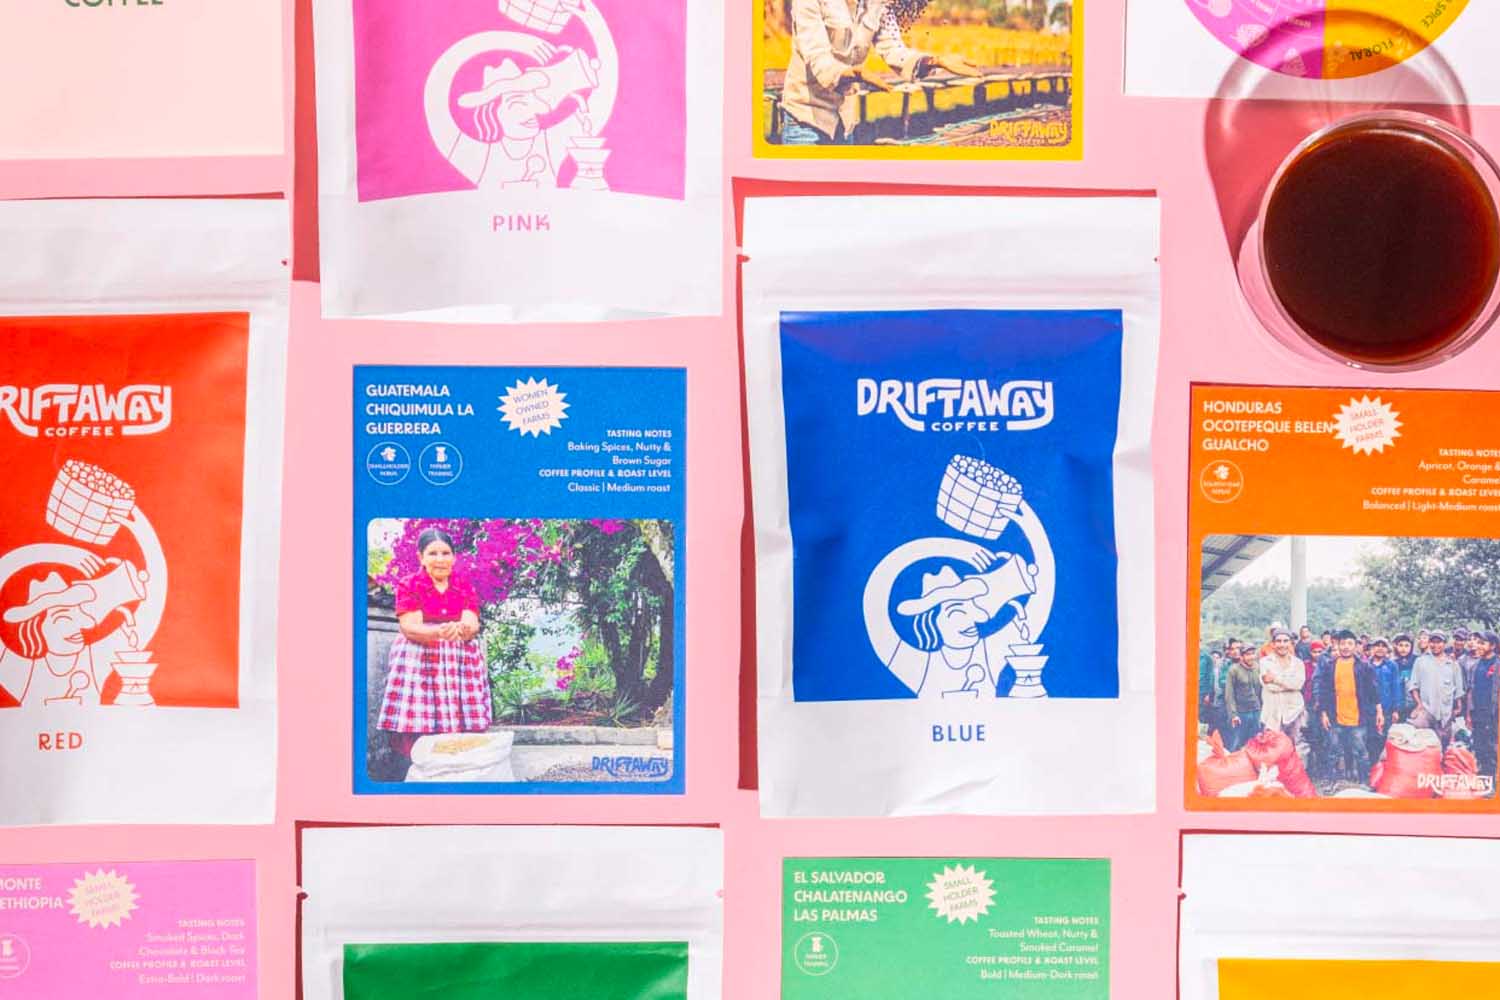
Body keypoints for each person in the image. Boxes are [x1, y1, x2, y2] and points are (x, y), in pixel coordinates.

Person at [779, 0, 980, 145]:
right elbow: (818, 58)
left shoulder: (879, 4)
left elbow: (894, 50)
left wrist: (934, 61)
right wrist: (852, 74)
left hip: (844, 123)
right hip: (805, 121)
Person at [376, 528, 490, 771]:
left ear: (454, 557)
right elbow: (410, 627)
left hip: (458, 660)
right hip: (420, 656)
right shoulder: (410, 584)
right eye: (433, 553)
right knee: (421, 716)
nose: (440, 559)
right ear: (421, 557)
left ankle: (458, 766)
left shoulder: (463, 586)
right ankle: (422, 766)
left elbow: (471, 624)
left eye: (446, 553)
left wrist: (461, 629)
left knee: (461, 721)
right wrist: (440, 632)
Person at [1316, 629, 1382, 783]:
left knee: (1361, 752)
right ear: (1337, 645)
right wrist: (1324, 714)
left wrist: (1379, 712)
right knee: (1333, 751)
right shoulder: (1330, 666)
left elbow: (1373, 691)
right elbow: (1324, 691)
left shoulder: (1364, 666)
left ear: (1355, 646)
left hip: (1358, 718)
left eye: (1349, 643)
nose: (1346, 647)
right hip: (1335, 717)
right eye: (1343, 643)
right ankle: (1331, 781)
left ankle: (1364, 781)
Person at [1408, 630, 1464, 748]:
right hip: (1426, 710)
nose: (1435, 645)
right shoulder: (1421, 661)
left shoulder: (1452, 664)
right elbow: (1413, 686)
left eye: (1439, 642)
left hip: (1446, 712)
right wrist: (1419, 704)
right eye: (1432, 642)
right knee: (1421, 744)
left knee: (1443, 745)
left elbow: (1458, 689)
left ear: (1445, 644)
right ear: (1429, 643)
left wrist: (1458, 708)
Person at [1258, 628, 1305, 751]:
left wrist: (1275, 679)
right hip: (1272, 714)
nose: (1282, 644)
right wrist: (1289, 683)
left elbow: (1298, 684)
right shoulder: (1265, 662)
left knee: (1294, 749)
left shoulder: (1298, 663)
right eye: (1278, 641)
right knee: (1272, 750)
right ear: (1273, 644)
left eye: (1285, 641)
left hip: (1294, 711)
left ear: (1291, 643)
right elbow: (1270, 687)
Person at [1470, 631, 1499, 780]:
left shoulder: (1497, 665)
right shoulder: (1476, 665)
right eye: (1478, 643)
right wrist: (1469, 713)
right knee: (1479, 746)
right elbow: (1471, 689)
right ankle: (1482, 778)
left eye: (1482, 643)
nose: (1478, 646)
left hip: (1493, 713)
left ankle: (1492, 780)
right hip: (1478, 713)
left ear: (1492, 646)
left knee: (1491, 747)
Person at [1367, 637, 1402, 759]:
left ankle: (1382, 765)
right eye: (1377, 645)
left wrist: (1396, 709)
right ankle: (1372, 765)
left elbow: (1396, 687)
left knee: (1384, 738)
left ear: (1387, 649)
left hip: (1387, 708)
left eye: (1383, 646)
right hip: (1369, 709)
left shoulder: (1392, 666)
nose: (1380, 648)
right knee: (1370, 739)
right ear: (1372, 648)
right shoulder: (1366, 665)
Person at [1225, 645, 1263, 751]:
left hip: (1256, 711)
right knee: (1237, 743)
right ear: (1241, 657)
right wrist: (1233, 715)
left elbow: (1261, 690)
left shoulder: (1258, 668)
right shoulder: (1234, 670)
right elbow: (1229, 694)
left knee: (1255, 743)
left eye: (1253, 654)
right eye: (1247, 654)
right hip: (1241, 713)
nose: (1251, 657)